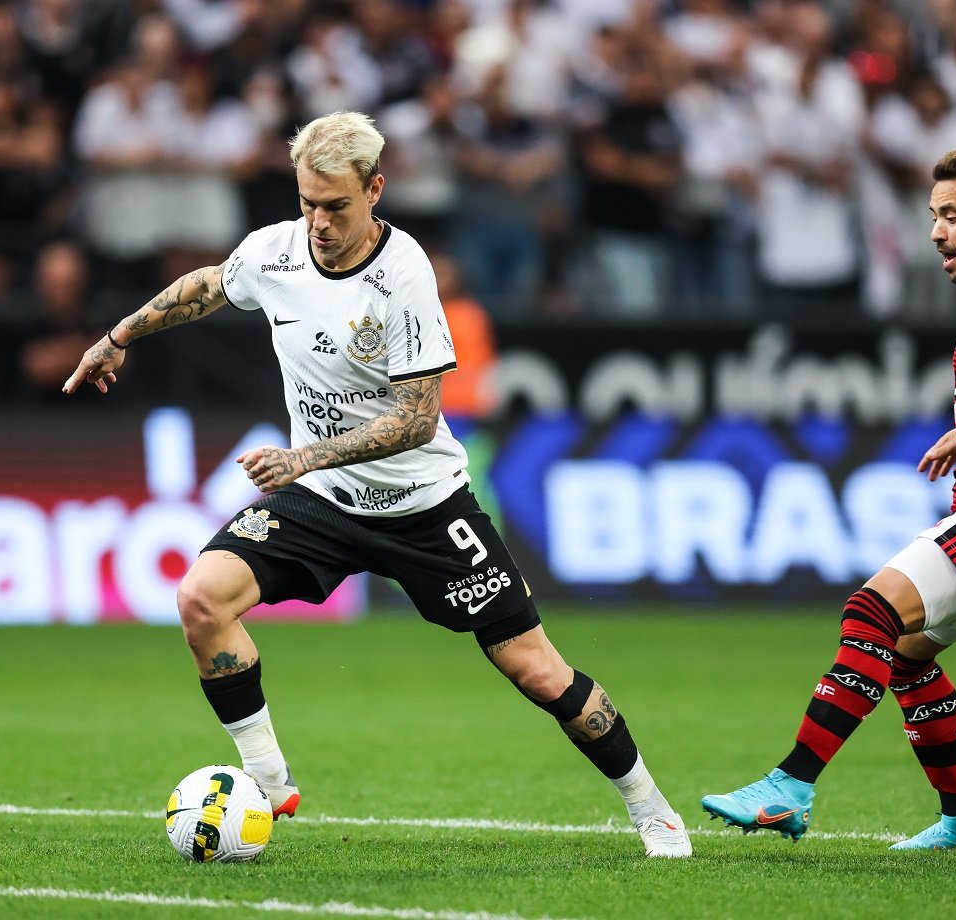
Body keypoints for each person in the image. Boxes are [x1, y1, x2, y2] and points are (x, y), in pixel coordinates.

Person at [62, 110, 692, 859]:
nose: (318, 222)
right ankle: (267, 781)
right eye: (307, 203)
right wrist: (116, 337)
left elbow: (418, 419)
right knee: (202, 599)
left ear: (375, 189)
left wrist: (303, 458)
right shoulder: (276, 252)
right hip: (325, 501)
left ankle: (652, 809)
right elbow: (206, 286)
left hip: (423, 506)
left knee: (537, 669)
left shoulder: (405, 273)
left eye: (335, 205)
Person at [702, 145, 956, 851]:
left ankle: (789, 788)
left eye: (952, 216)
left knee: (870, 610)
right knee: (908, 659)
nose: (937, 232)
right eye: (933, 216)